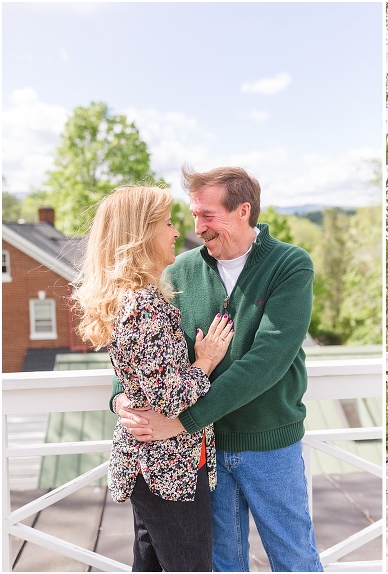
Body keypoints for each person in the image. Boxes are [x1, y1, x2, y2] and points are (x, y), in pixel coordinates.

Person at [111, 165, 323, 571]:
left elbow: (266, 362)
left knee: (294, 558)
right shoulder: (178, 270)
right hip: (204, 451)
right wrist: (120, 397)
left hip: (268, 444)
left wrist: (182, 421)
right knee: (224, 564)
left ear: (243, 211)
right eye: (193, 215)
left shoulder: (290, 264)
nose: (197, 228)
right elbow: (141, 346)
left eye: (208, 215)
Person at [72, 186, 234, 571]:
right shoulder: (145, 305)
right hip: (168, 468)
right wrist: (206, 361)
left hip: (151, 467)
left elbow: (144, 382)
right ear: (141, 234)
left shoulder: (131, 299)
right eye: (167, 224)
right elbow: (170, 398)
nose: (177, 232)